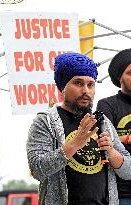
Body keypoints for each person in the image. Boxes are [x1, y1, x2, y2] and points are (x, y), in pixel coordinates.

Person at [26, 52, 131, 205]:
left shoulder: (102, 122)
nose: (86, 91)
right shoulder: (45, 121)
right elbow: (37, 169)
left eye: (90, 84)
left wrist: (112, 152)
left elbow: (128, 172)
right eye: (78, 83)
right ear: (63, 87)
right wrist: (75, 143)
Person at [97, 48, 131, 205]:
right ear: (119, 78)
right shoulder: (107, 105)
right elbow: (104, 140)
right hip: (120, 192)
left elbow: (115, 139)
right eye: (130, 73)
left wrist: (122, 138)